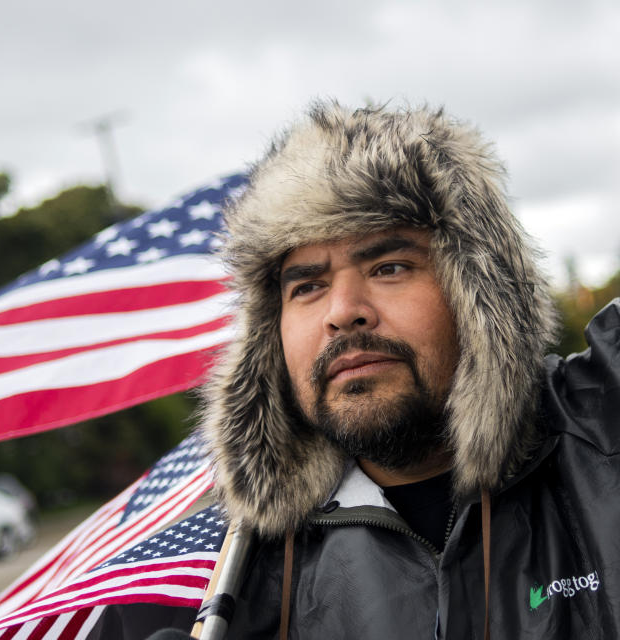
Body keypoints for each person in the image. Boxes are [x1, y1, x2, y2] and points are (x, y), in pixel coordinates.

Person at [90, 101, 620, 639]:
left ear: (483, 295)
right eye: (308, 287)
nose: (343, 311)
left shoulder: (604, 426)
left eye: (389, 267)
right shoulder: (212, 585)